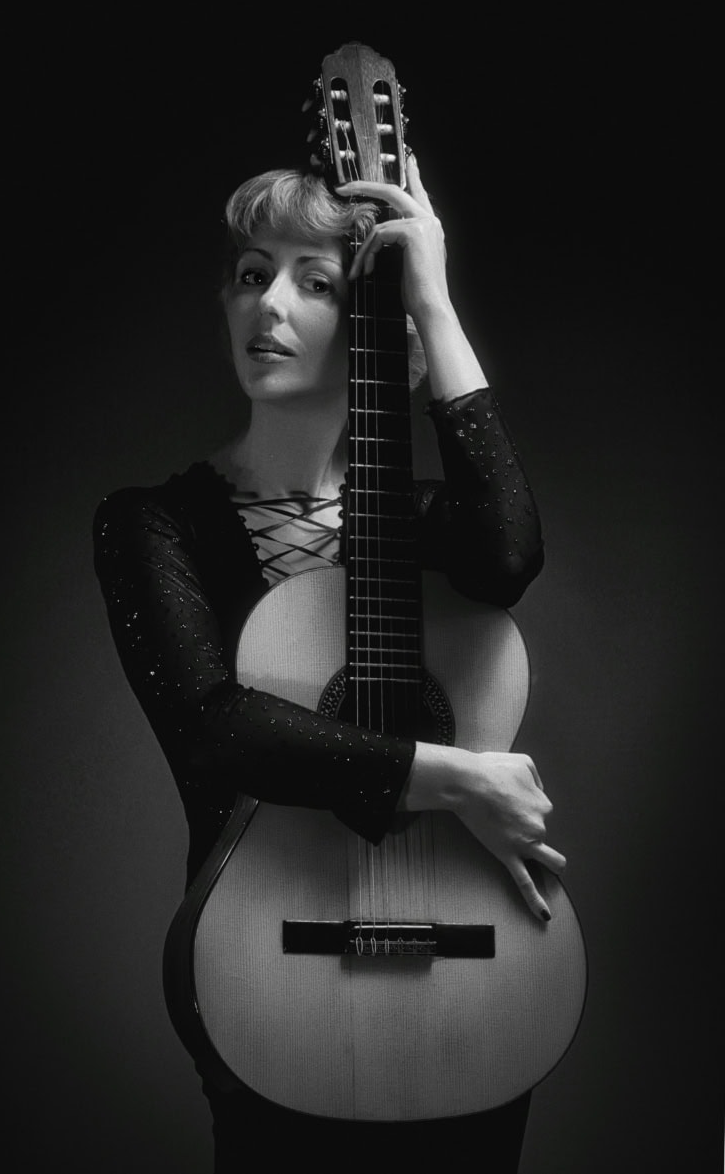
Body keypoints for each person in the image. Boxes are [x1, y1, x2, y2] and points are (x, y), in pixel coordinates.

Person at [93, 153, 563, 1173]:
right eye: (251, 270)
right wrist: (453, 776)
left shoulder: (428, 526)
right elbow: (218, 729)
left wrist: (433, 304)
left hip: (473, 967)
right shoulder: (158, 526)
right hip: (267, 965)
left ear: (370, 337)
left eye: (315, 282)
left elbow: (511, 554)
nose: (267, 302)